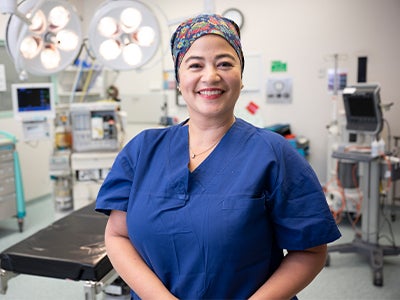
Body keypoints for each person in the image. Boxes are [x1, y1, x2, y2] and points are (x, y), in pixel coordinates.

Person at [96, 13, 341, 299]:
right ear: (178, 79)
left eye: (225, 63)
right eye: (195, 65)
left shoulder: (274, 155)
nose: (210, 76)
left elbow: (310, 251)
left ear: (241, 75)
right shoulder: (141, 151)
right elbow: (117, 235)